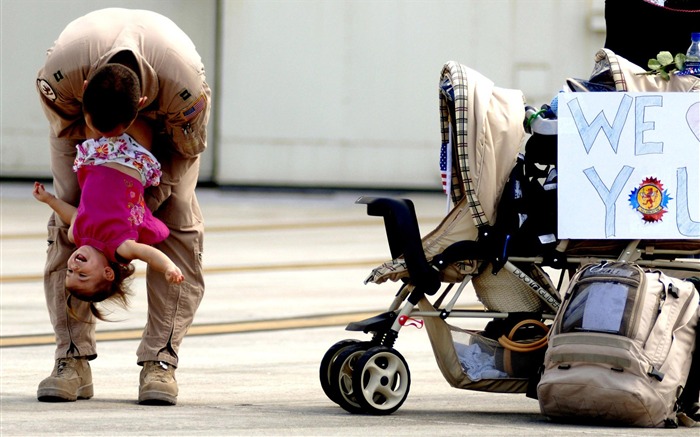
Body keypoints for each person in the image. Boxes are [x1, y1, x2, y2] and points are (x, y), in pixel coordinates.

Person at [35, 8, 211, 406]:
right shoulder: (60, 76)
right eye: (101, 128)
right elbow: (66, 132)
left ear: (141, 105)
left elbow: (183, 154)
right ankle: (72, 358)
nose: (111, 137)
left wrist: (135, 212)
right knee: (66, 226)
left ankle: (159, 360)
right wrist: (84, 201)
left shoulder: (184, 92)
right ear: (84, 92)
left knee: (180, 224)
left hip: (169, 122)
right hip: (82, 125)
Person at [32, 124, 184, 313]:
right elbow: (148, 254)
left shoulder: (76, 235)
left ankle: (108, 98)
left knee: (96, 118)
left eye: (70, 272)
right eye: (83, 275)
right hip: (132, 159)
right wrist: (168, 267)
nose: (74, 266)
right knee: (135, 120)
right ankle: (133, 103)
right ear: (108, 273)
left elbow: (73, 215)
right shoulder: (120, 247)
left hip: (96, 156)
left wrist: (50, 200)